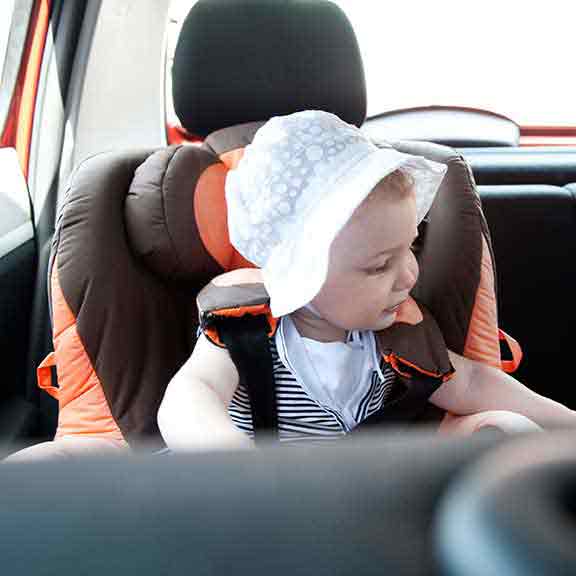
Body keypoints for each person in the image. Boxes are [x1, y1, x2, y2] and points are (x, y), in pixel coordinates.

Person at [157, 110, 576, 451]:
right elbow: (192, 395)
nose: (410, 275)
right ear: (300, 271)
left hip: (363, 499)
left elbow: (470, 382)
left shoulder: (394, 336)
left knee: (510, 428)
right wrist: (238, 464)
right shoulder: (244, 330)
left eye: (411, 249)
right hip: (265, 506)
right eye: (379, 266)